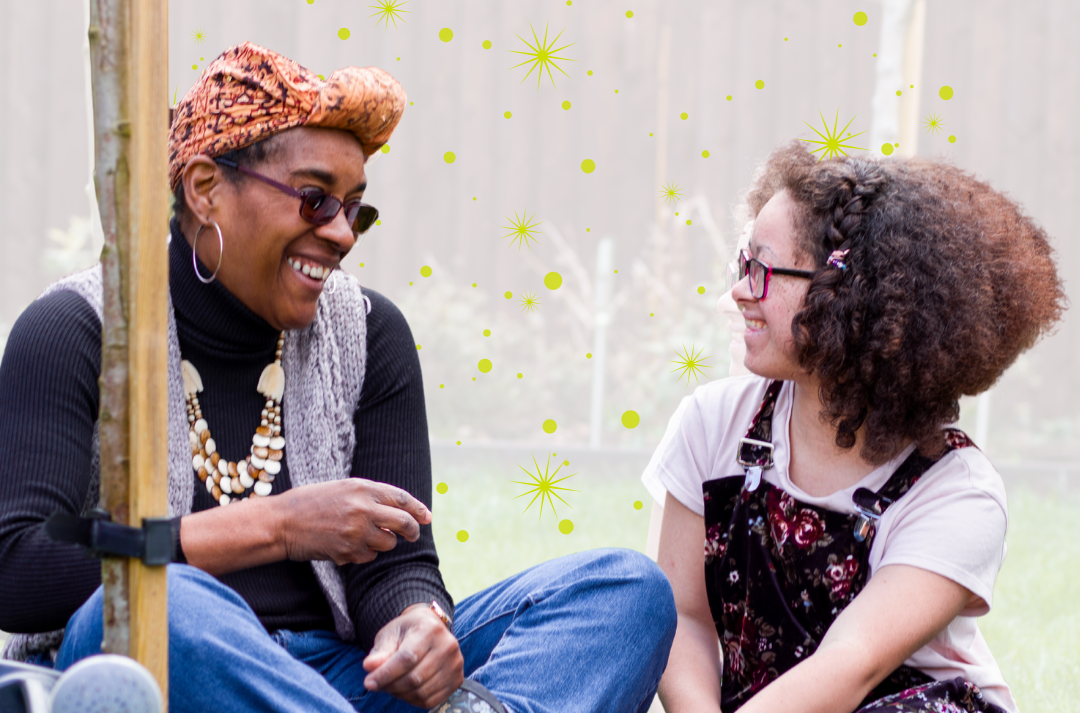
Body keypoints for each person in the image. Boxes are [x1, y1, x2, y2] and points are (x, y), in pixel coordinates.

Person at [0, 42, 676, 713]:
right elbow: (15, 565)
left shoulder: (369, 333)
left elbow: (396, 564)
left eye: (354, 209)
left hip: (337, 682)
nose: (343, 235)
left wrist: (417, 622)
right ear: (206, 189)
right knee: (164, 599)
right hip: (162, 665)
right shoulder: (80, 329)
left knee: (625, 591)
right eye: (315, 199)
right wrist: (276, 526)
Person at [642, 139, 1066, 713]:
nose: (738, 291)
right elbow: (683, 614)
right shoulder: (712, 426)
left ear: (849, 300)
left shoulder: (957, 494)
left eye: (762, 269)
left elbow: (852, 662)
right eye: (744, 264)